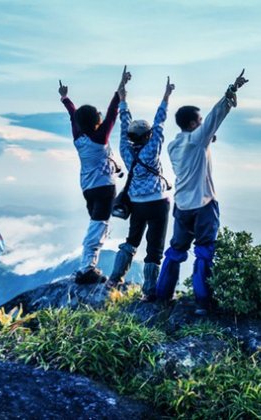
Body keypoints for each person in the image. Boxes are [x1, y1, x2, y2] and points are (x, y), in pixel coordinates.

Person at [155, 69, 249, 315]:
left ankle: (162, 295)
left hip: (182, 206)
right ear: (192, 124)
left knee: (176, 250)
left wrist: (208, 138)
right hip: (203, 204)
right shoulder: (197, 140)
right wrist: (231, 91)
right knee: (205, 251)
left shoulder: (175, 145)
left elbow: (201, 136)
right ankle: (203, 302)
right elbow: (214, 118)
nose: (201, 123)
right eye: (198, 121)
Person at [107, 75, 176, 299]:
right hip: (158, 203)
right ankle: (149, 292)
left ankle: (115, 278)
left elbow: (124, 123)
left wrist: (123, 98)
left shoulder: (125, 150)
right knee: (154, 249)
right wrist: (166, 96)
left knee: (132, 240)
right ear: (148, 136)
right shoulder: (152, 148)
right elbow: (160, 122)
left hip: (136, 204)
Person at [60, 67, 130, 284]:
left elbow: (74, 116)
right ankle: (87, 269)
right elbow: (112, 113)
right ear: (96, 121)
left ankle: (88, 265)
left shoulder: (78, 136)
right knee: (99, 226)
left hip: (88, 189)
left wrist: (65, 98)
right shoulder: (100, 138)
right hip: (104, 189)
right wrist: (120, 90)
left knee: (98, 223)